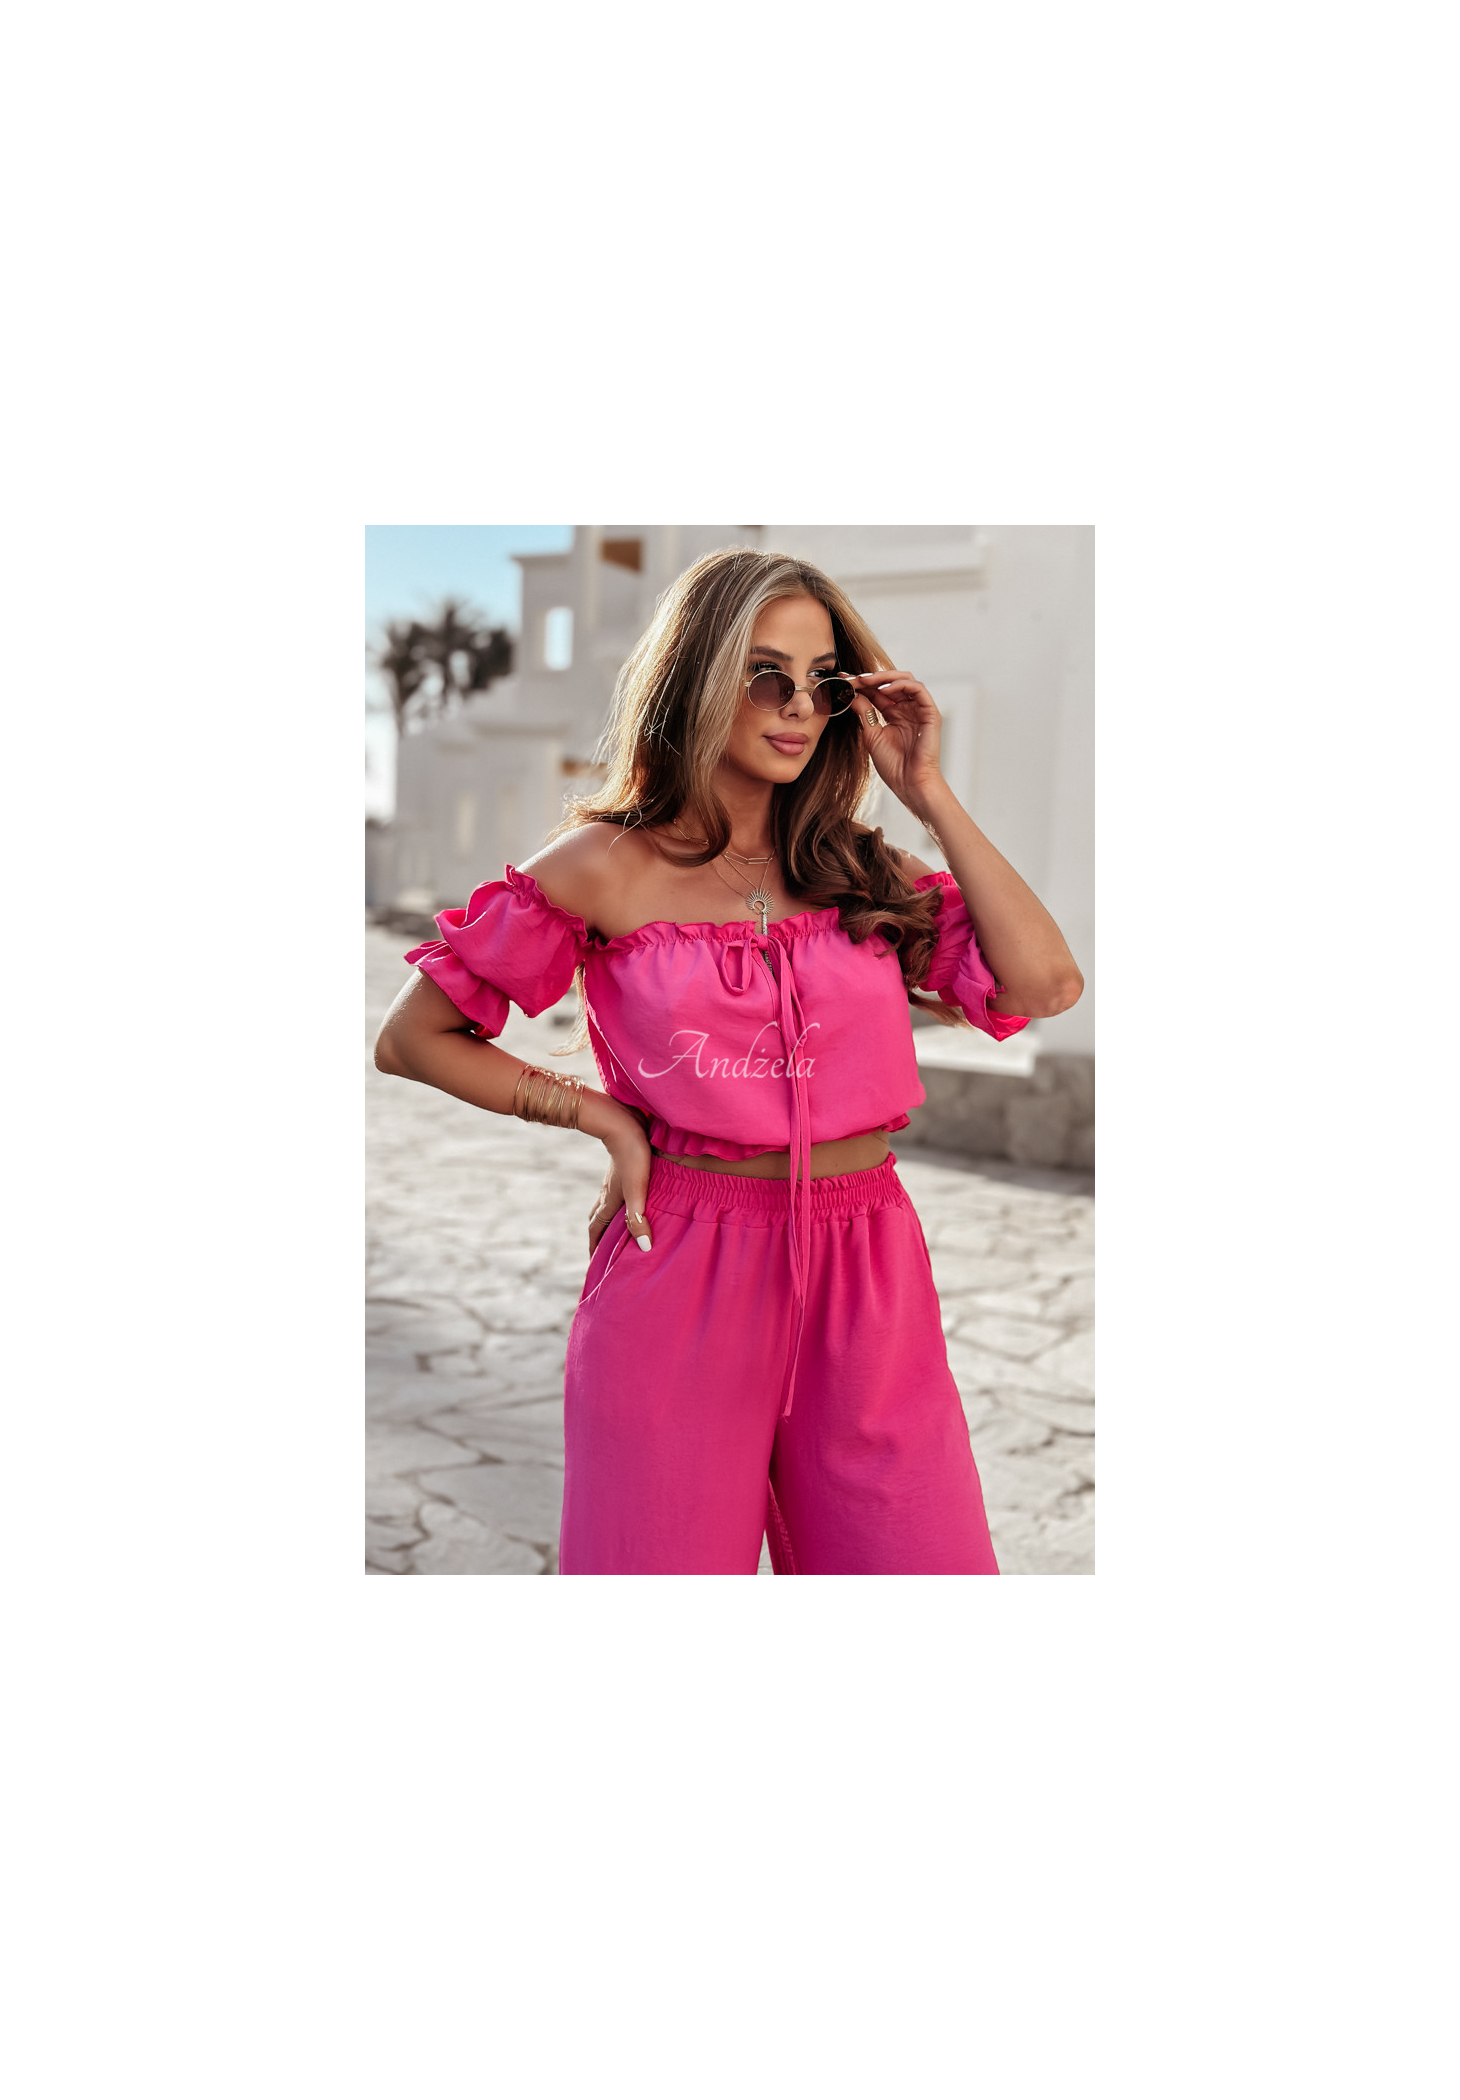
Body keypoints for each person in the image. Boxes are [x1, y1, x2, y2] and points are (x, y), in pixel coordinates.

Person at [374, 547, 1084, 1574]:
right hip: (681, 1267)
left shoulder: (855, 867)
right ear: (698, 678)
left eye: (820, 680)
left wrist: (927, 792)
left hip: (867, 1264)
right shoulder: (605, 864)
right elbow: (412, 1036)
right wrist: (598, 1115)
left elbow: (1044, 986)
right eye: (763, 674)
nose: (796, 706)